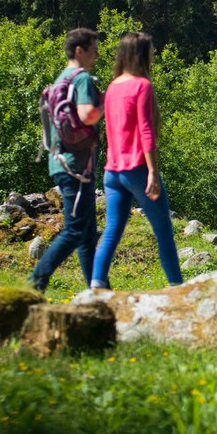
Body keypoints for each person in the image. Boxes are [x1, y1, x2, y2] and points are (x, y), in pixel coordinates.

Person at [90, 32, 183, 290]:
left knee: (111, 231)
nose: (153, 54)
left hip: (112, 172)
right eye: (151, 50)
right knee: (163, 230)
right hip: (137, 169)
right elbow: (145, 130)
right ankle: (177, 287)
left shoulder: (112, 88)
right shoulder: (142, 86)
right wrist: (153, 171)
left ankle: (96, 284)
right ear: (142, 54)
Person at [29, 28, 103, 293]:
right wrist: (106, 104)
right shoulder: (81, 79)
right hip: (76, 166)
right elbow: (86, 115)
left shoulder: (61, 78)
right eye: (93, 49)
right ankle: (36, 281)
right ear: (79, 50)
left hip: (59, 161)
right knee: (74, 231)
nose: (97, 54)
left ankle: (98, 289)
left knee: (86, 234)